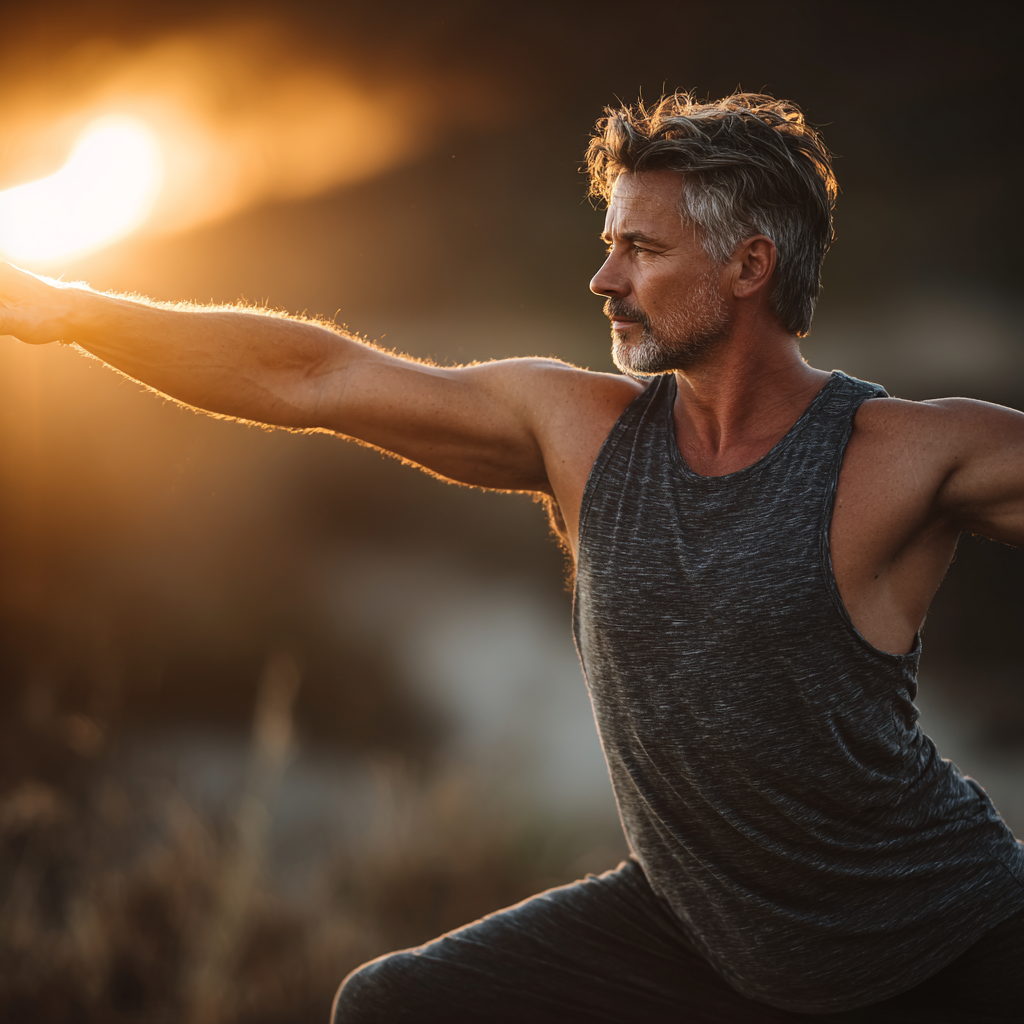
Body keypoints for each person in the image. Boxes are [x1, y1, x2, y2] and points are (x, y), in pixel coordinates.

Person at [1, 92, 1022, 1022]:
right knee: (395, 1005)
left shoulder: (904, 453)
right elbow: (311, 374)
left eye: (640, 249)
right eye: (606, 242)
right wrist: (74, 311)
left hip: (942, 936)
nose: (603, 277)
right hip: (695, 937)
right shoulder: (576, 429)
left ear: (747, 267)